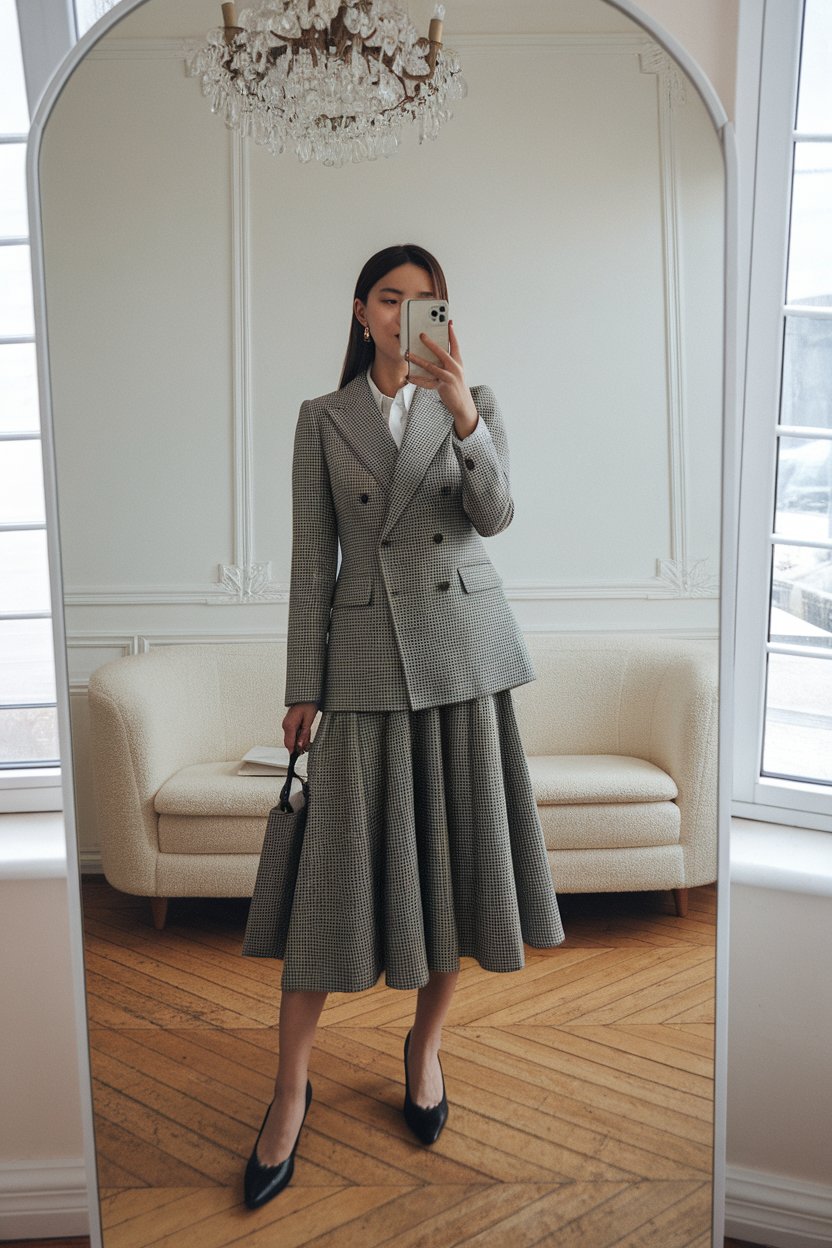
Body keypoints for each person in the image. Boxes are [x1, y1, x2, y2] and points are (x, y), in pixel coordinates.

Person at [242, 243, 566, 1210]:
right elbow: (312, 560)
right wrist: (305, 684)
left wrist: (465, 411)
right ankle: (289, 1087)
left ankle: (424, 1049)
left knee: (459, 869)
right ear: (361, 310)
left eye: (426, 302)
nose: (406, 315)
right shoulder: (321, 420)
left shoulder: (476, 404)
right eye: (391, 299)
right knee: (328, 885)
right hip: (369, 664)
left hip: (464, 659)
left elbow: (496, 515)